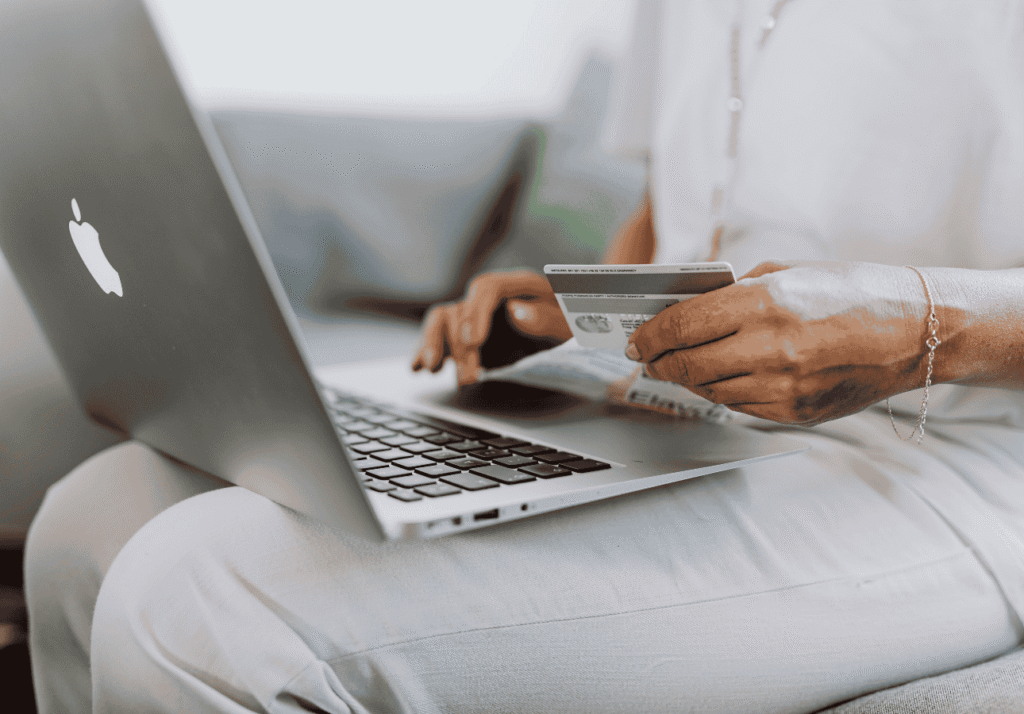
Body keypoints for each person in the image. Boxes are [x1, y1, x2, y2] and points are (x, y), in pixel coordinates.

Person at [25, 1, 1024, 712]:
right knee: (92, 516)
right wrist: (589, 306)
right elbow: (669, 209)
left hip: (944, 459)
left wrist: (919, 321)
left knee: (197, 607)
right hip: (694, 417)